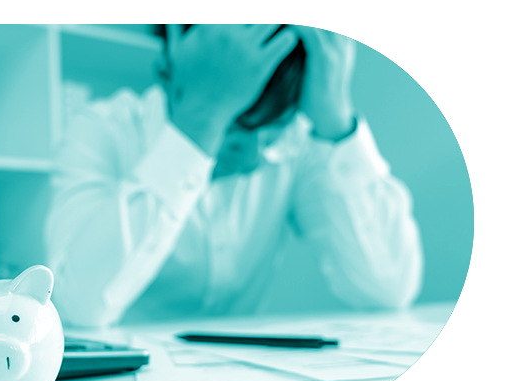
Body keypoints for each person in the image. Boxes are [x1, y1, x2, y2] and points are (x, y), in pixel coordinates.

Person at [45, 24, 423, 328]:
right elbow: (79, 307)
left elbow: (387, 289)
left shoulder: (296, 143)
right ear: (166, 70)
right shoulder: (103, 128)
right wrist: (200, 122)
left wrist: (336, 120)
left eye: (272, 130)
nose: (254, 160)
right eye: (233, 127)